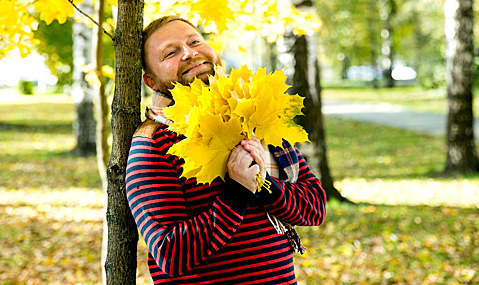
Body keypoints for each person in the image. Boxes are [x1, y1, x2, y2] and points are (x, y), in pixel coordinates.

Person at [125, 15, 327, 284]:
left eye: (195, 41)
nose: (189, 53)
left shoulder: (252, 116)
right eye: (170, 53)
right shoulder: (153, 143)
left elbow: (314, 207)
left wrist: (265, 184)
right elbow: (170, 253)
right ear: (151, 81)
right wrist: (238, 192)